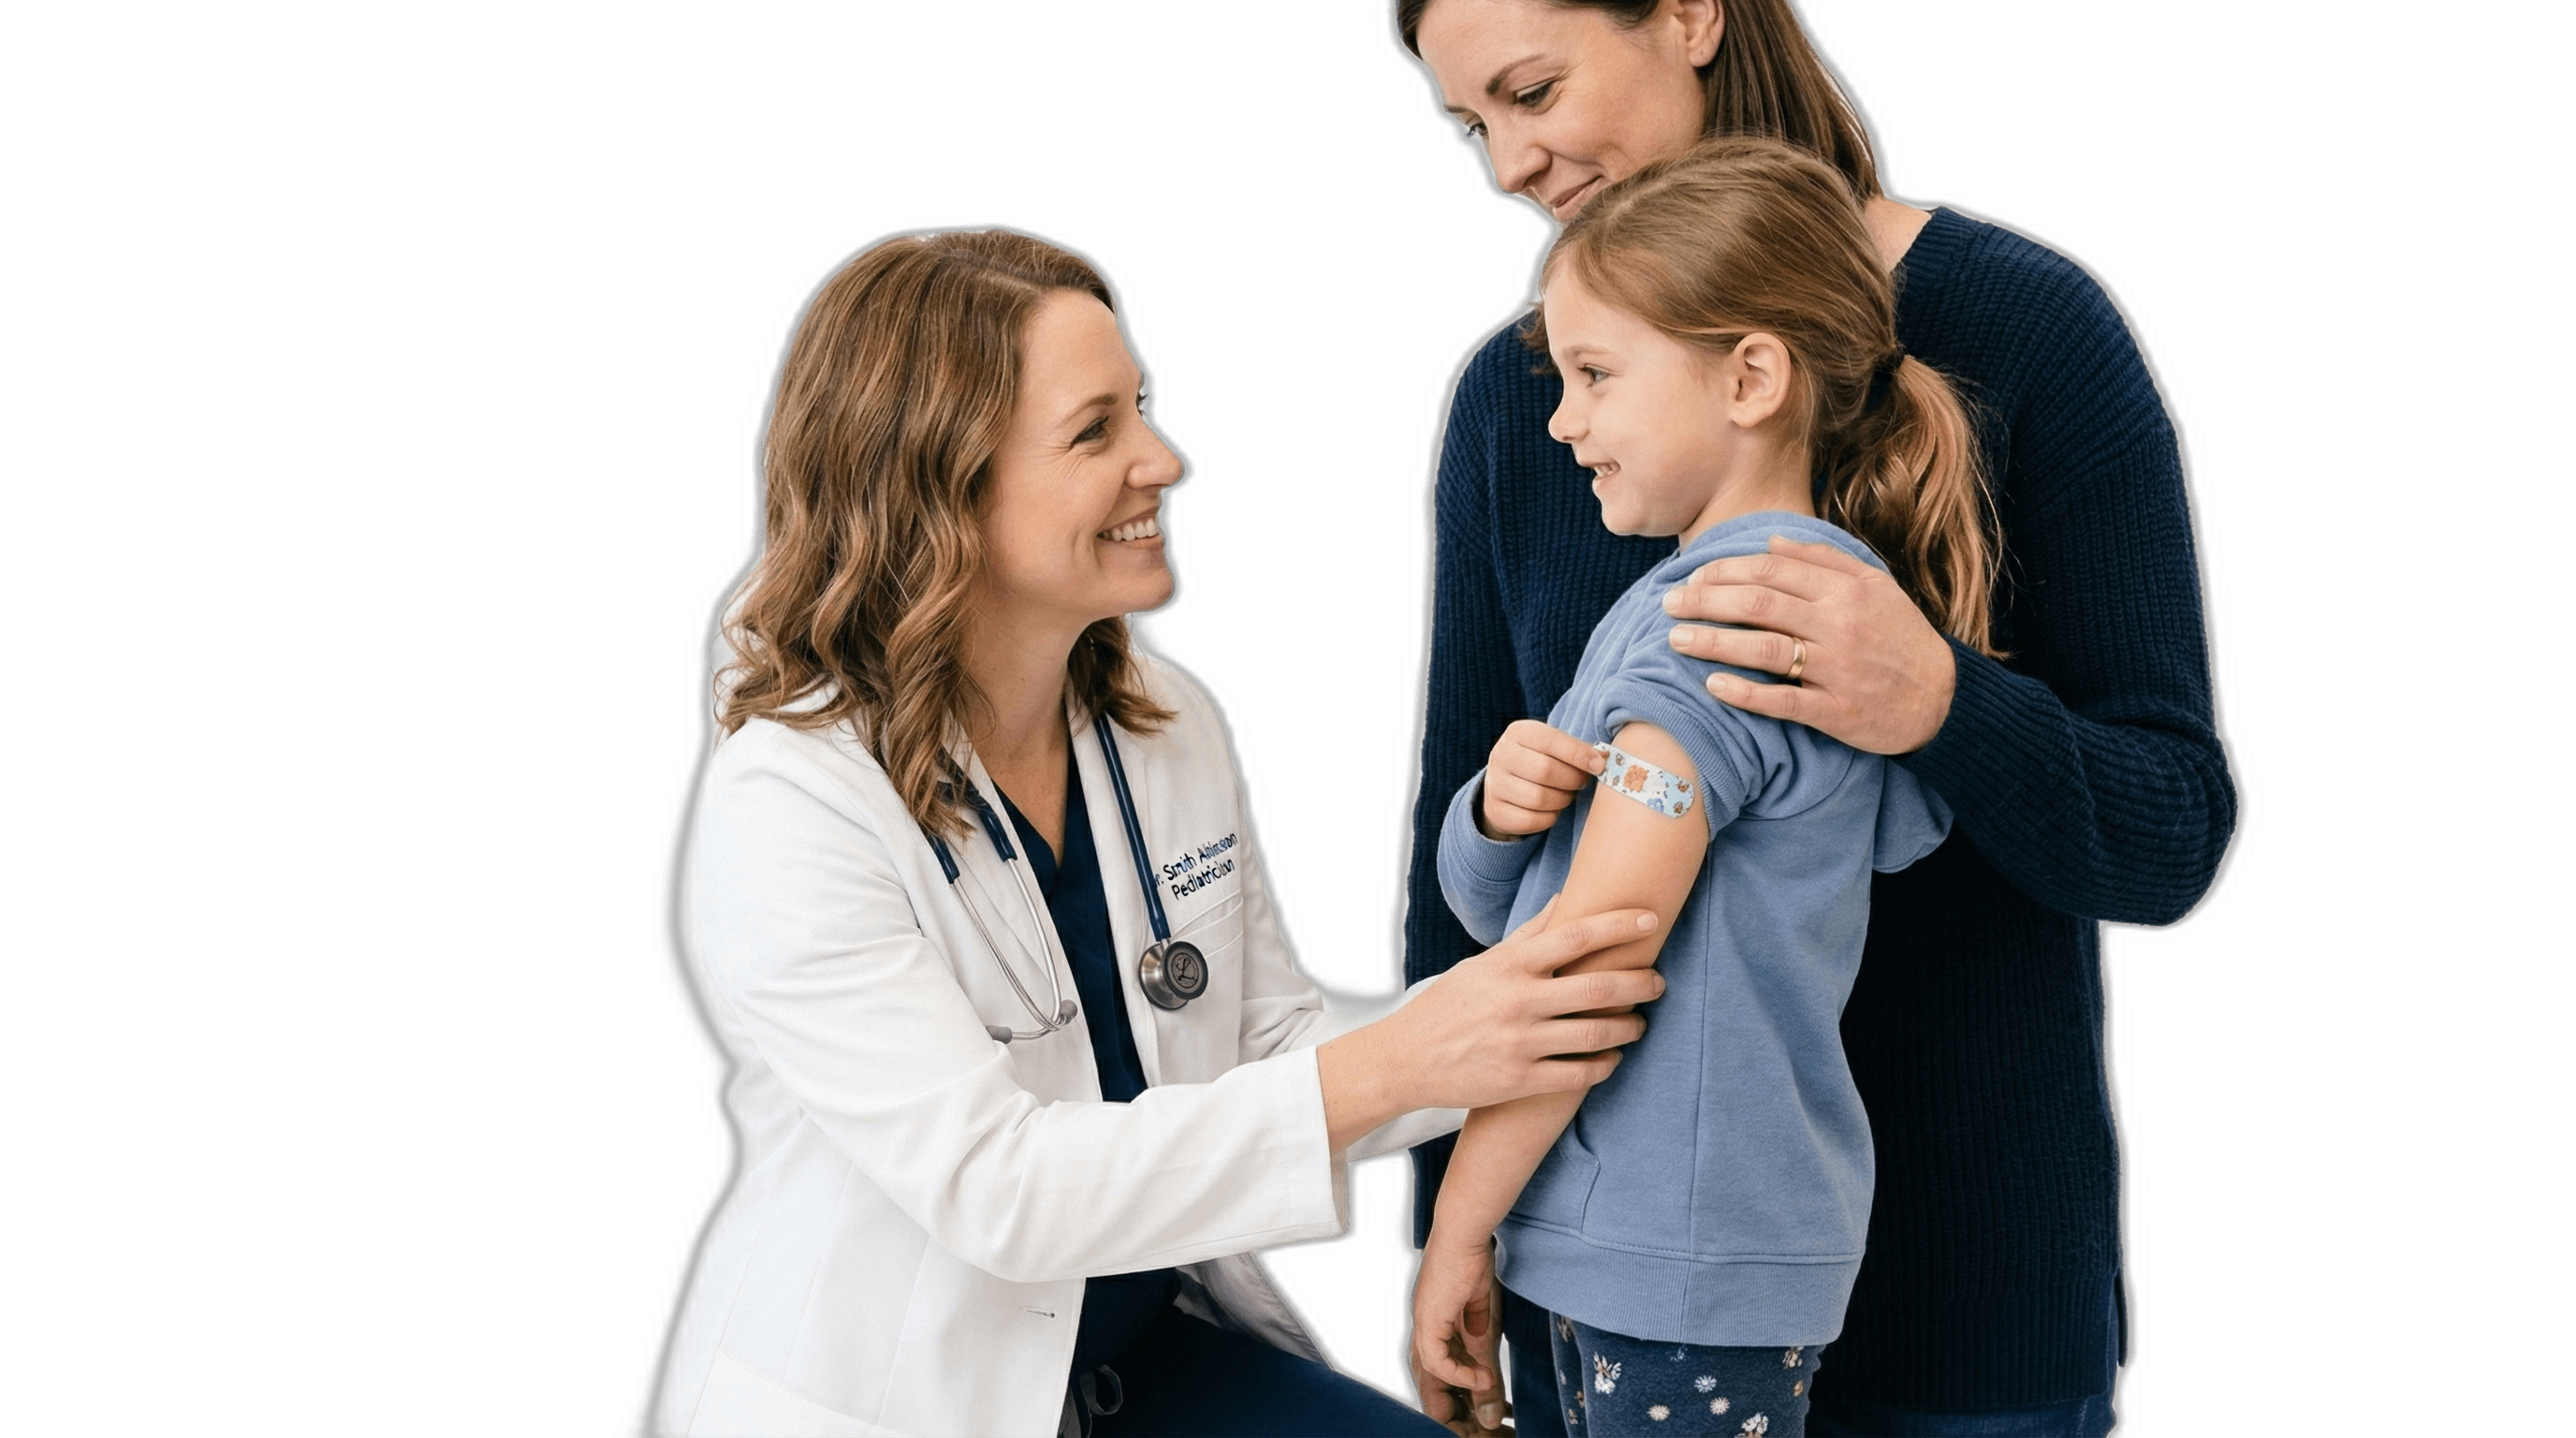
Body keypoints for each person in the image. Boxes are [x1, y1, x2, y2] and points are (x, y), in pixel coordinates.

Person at [640, 227, 1673, 1438]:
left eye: (1143, 412)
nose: (1165, 461)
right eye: (1096, 432)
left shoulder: (1161, 723)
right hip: (914, 1397)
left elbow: (1264, 1040)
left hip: (1143, 1357)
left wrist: (1523, 1014)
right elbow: (1000, 1190)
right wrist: (1412, 1060)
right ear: (937, 487)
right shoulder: (795, 810)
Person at [1395, 3, 2242, 1434]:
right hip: (1602, 1306)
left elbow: (2167, 838)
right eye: (1473, 122)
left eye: (1532, 90)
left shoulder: (2030, 329)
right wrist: (1453, 1240)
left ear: (1688, 15)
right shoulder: (1516, 404)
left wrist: (1938, 700)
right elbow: (1471, 899)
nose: (1511, 163)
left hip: (1964, 1328)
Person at [1412, 136, 1987, 1438]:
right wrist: (1500, 817)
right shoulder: (1754, 605)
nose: (1562, 420)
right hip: (1668, 1242)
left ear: (1751, 377)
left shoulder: (1714, 630)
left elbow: (1585, 961)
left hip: (1674, 1259)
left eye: (1597, 375)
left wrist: (1455, 1224)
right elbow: (1542, 903)